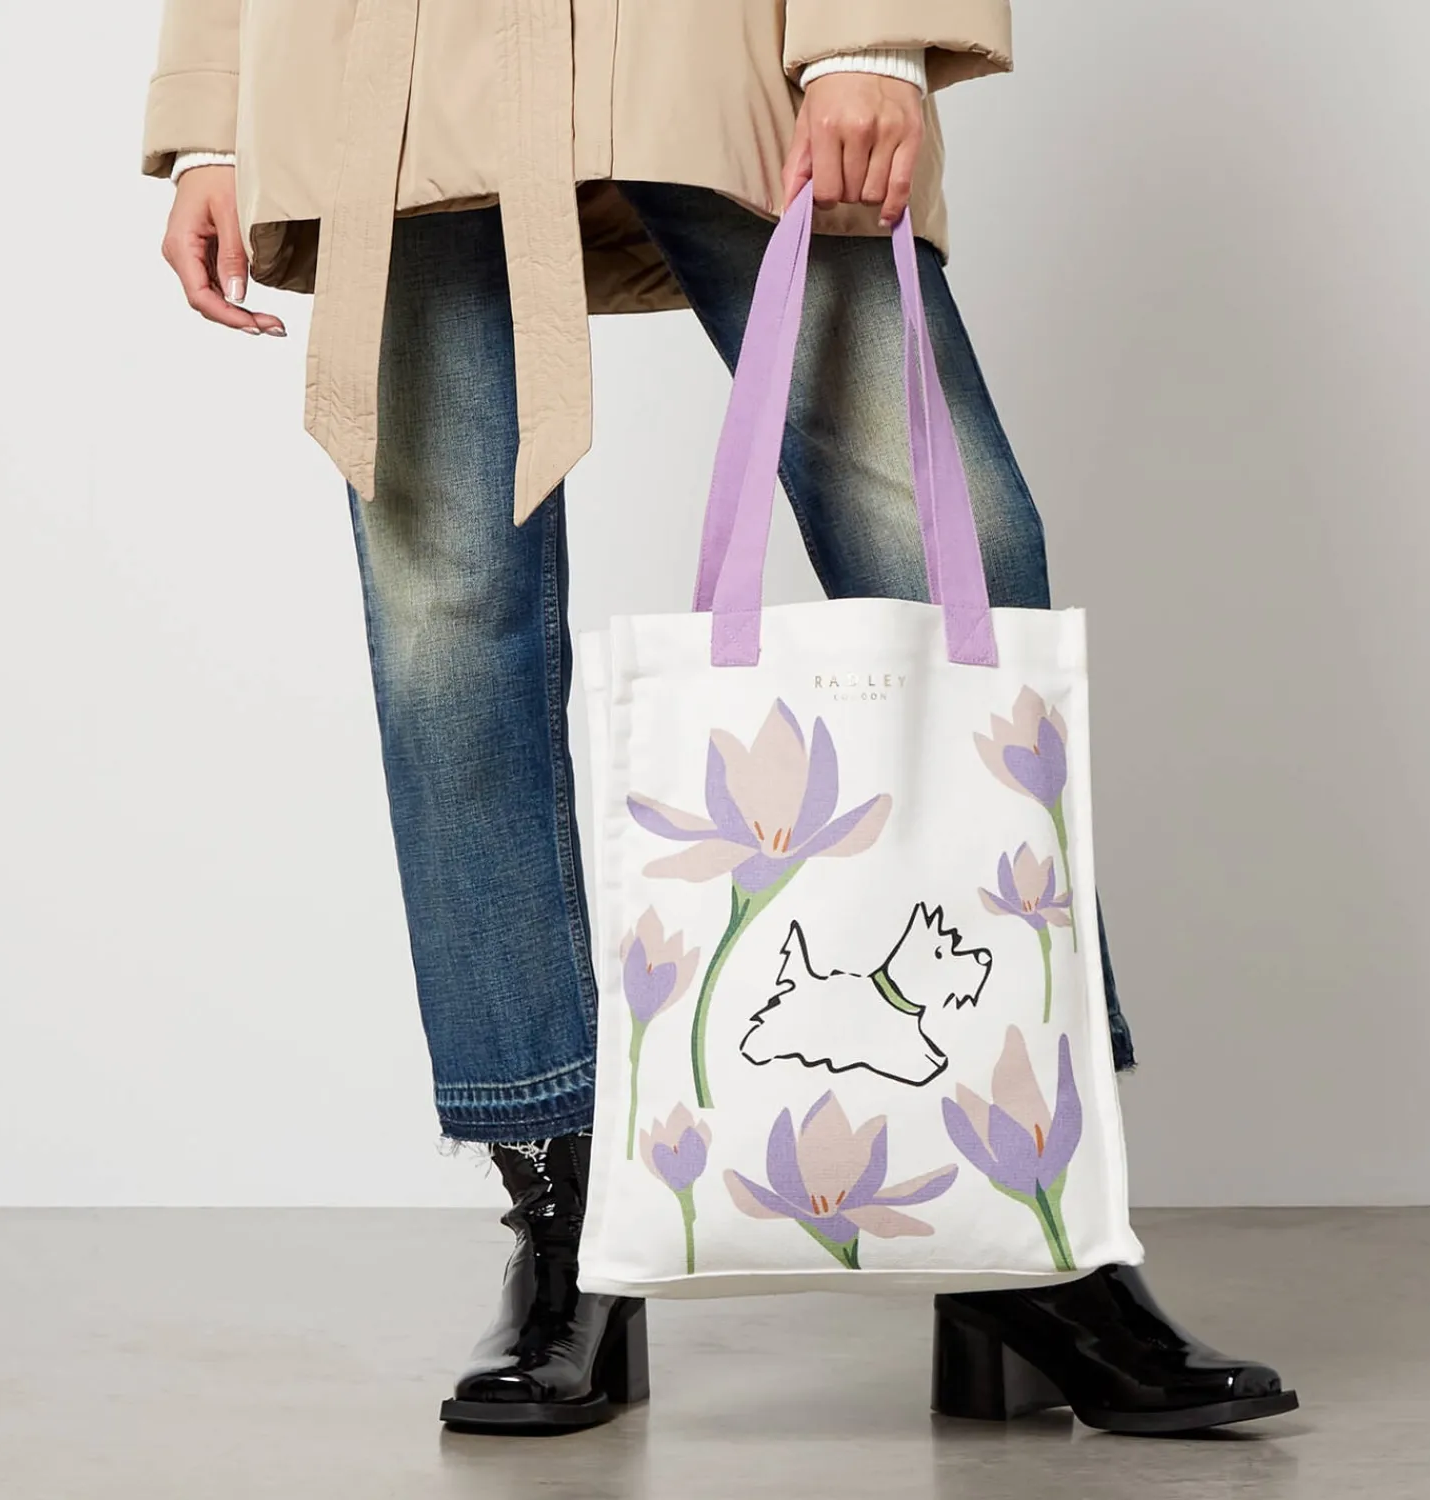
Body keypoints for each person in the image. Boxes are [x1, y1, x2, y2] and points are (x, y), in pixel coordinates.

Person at [142, 0, 1296, 1438]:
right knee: (444, 620)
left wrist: (870, 43)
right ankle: (567, 1219)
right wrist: (216, 114)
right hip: (389, 54)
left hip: (711, 28)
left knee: (945, 535)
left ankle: (1028, 1225)